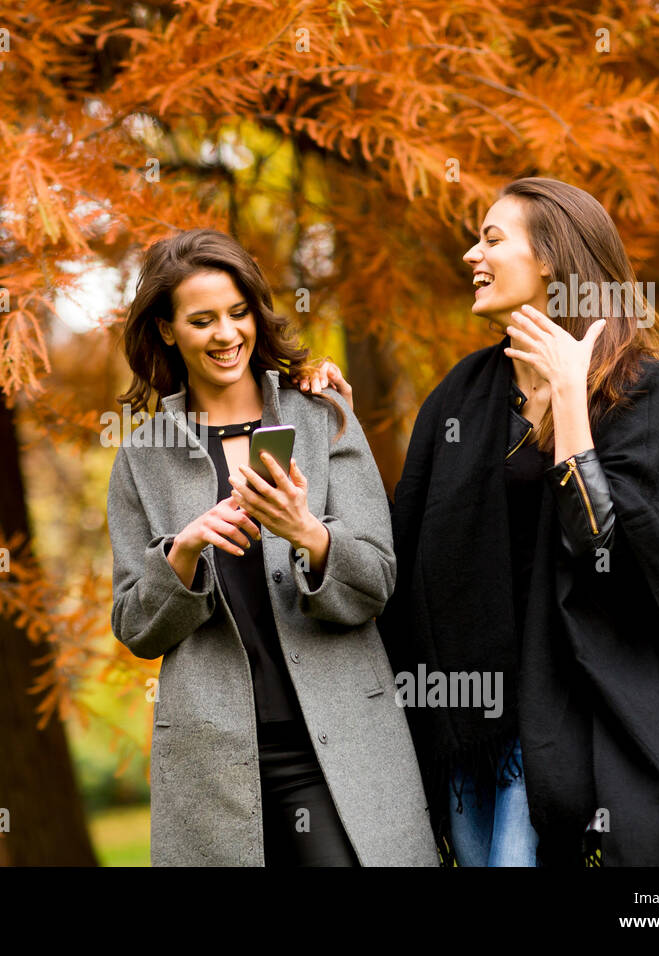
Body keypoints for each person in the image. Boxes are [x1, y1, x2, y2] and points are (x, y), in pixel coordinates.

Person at [302, 177, 659, 866]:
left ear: (553, 259)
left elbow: (614, 550)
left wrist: (567, 396)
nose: (473, 253)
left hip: (575, 721)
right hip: (468, 727)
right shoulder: (464, 392)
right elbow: (406, 550)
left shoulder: (633, 387)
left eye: (493, 238)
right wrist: (340, 433)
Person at [106, 227, 437, 866]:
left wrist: (307, 533)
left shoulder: (321, 415)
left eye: (239, 313)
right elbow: (135, 626)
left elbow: (377, 580)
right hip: (215, 765)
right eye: (202, 320)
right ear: (169, 331)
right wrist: (180, 557)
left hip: (340, 748)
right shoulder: (141, 455)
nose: (227, 334)